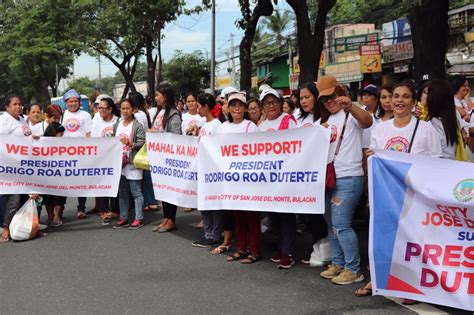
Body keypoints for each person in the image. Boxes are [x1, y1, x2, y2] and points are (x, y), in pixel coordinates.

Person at [361, 83, 442, 303]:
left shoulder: (426, 129)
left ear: (413, 101)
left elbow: (436, 161)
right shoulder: (381, 129)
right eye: (396, 96)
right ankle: (378, 279)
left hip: (416, 196)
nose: (399, 100)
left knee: (413, 241)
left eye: (405, 97)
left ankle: (412, 285)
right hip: (386, 195)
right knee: (383, 238)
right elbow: (373, 164)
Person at [315, 76, 373, 285]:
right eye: (324, 99)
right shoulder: (326, 122)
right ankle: (339, 263)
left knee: (341, 224)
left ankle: (353, 269)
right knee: (331, 223)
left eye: (332, 96)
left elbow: (368, 122)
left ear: (340, 93)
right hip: (330, 179)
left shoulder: (351, 114)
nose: (329, 102)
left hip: (349, 177)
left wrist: (351, 106)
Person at [213, 92, 260, 262]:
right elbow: (215, 148)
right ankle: (241, 248)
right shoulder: (223, 127)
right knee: (238, 215)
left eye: (240, 105)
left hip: (248, 178)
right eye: (233, 105)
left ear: (245, 108)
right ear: (229, 108)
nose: (237, 108)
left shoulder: (251, 126)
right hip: (231, 179)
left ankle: (254, 251)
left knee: (251, 216)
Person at [258, 88, 298, 269]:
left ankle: (288, 252)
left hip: (285, 177)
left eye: (274, 101)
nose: (271, 105)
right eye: (267, 103)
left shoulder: (288, 121)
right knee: (274, 216)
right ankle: (280, 247)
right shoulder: (261, 126)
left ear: (281, 103)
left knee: (286, 216)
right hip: (268, 180)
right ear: (263, 107)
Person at [296, 82, 329, 265]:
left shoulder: (325, 119)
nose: (303, 101)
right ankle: (316, 246)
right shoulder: (300, 120)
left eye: (307, 97)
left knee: (321, 215)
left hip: (320, 174)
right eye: (301, 98)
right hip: (303, 175)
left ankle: (324, 248)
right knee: (308, 215)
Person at [191, 93, 223, 248]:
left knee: (214, 204)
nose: (197, 108)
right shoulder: (203, 124)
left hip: (213, 171)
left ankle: (215, 235)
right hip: (202, 168)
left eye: (198, 105)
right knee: (204, 203)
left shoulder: (217, 125)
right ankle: (207, 233)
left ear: (205, 107)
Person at [0, 95, 33, 242]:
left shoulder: (21, 119)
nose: (18, 107)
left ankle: (22, 226)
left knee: (24, 196)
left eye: (20, 104)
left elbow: (27, 137)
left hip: (23, 165)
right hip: (10, 166)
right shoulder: (4, 121)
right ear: (7, 106)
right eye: (15, 104)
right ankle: (5, 228)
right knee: (12, 197)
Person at [151, 83, 182, 233]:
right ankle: (166, 218)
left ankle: (172, 219)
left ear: (166, 96)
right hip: (159, 158)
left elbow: (176, 136)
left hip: (169, 159)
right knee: (163, 188)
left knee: (170, 189)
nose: (155, 97)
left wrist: (155, 134)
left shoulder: (174, 114)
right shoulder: (160, 112)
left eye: (158, 95)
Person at [113, 99, 146, 229]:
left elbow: (142, 143)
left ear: (133, 109)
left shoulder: (137, 125)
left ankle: (139, 218)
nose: (125, 111)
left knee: (136, 192)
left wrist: (130, 143)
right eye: (123, 108)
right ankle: (123, 217)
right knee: (122, 192)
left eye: (127, 108)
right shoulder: (118, 124)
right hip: (120, 163)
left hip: (133, 163)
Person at [61, 89, 92, 219]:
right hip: (65, 153)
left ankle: (81, 208)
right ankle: (59, 210)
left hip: (81, 153)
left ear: (79, 102)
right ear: (66, 102)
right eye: (70, 101)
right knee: (62, 182)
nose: (73, 103)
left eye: (75, 101)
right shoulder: (63, 115)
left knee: (81, 181)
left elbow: (88, 134)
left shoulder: (85, 115)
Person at [91, 98, 121, 225]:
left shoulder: (118, 121)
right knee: (102, 184)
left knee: (115, 184)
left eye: (104, 108)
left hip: (116, 158)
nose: (101, 110)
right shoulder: (96, 122)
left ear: (110, 109)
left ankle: (115, 209)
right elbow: (93, 140)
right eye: (99, 108)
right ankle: (103, 210)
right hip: (101, 158)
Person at [41, 122, 68, 227]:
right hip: (46, 174)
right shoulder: (42, 142)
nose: (62, 136)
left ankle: (57, 216)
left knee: (59, 195)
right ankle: (50, 216)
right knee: (47, 196)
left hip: (59, 173)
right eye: (60, 134)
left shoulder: (64, 143)